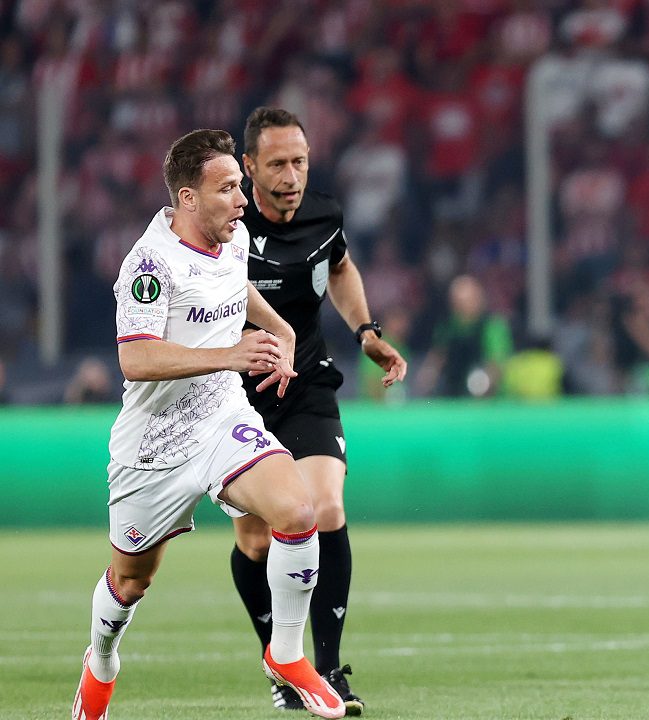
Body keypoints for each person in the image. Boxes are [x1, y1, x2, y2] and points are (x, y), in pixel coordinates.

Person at [73, 129, 346, 720]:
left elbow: (234, 285)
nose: (243, 200)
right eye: (227, 189)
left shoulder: (234, 236)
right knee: (131, 582)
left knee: (299, 511)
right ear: (188, 198)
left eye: (240, 187)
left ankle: (287, 654)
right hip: (154, 445)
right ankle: (102, 661)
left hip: (222, 417)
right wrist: (231, 354)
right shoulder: (149, 265)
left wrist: (281, 328)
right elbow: (136, 358)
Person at [231, 107, 408, 715]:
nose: (291, 177)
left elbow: (341, 267)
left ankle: (328, 669)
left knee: (327, 508)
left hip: (305, 384)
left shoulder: (325, 215)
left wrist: (366, 331)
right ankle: (280, 661)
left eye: (300, 162)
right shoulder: (224, 224)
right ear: (248, 166)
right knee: (257, 541)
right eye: (277, 164)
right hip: (235, 396)